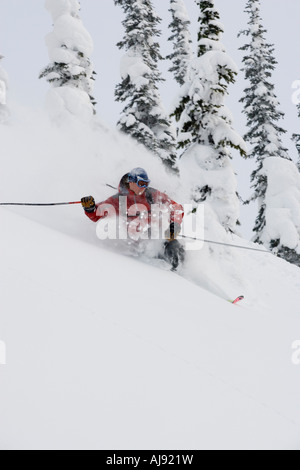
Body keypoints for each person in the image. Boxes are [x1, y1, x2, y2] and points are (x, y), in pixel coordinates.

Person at [81, 168, 185, 270]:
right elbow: (97, 213)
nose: (144, 187)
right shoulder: (119, 200)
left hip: (156, 238)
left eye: (146, 184)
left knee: (175, 249)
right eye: (141, 183)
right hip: (138, 247)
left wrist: (174, 225)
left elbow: (176, 208)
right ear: (131, 182)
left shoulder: (151, 194)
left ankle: (183, 277)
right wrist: (90, 208)